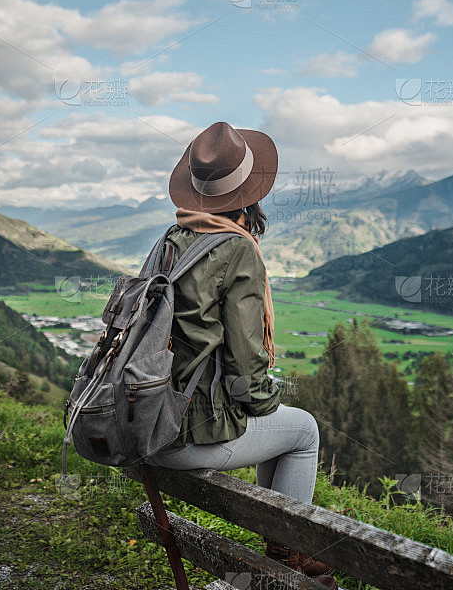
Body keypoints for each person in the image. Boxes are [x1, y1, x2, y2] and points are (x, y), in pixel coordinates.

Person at [146, 121, 336, 586]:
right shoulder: (235, 249)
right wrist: (267, 402)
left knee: (282, 427)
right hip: (185, 437)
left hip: (146, 421)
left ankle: (279, 553)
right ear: (251, 194)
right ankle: (286, 562)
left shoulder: (171, 243)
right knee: (303, 429)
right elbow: (247, 373)